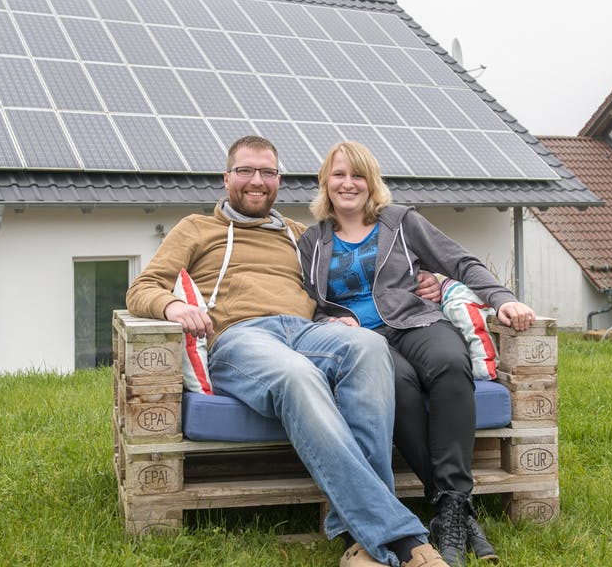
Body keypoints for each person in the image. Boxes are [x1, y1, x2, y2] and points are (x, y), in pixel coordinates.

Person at [127, 136, 450, 567]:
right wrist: (174, 305)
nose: (256, 181)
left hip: (305, 330)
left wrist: (423, 282)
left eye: (267, 172)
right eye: (245, 171)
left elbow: (358, 275)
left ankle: (360, 539)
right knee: (298, 375)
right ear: (227, 178)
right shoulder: (195, 228)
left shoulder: (301, 235)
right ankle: (402, 537)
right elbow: (141, 288)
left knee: (370, 347)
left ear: (279, 181)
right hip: (241, 338)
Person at [298, 141, 537, 567]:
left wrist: (501, 299)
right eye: (338, 175)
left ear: (371, 182)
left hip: (416, 321)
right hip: (364, 343)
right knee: (399, 387)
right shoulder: (311, 240)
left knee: (449, 362)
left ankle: (449, 507)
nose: (348, 184)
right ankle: (454, 510)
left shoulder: (400, 221)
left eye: (357, 175)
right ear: (325, 182)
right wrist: (326, 322)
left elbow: (459, 261)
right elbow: (303, 300)